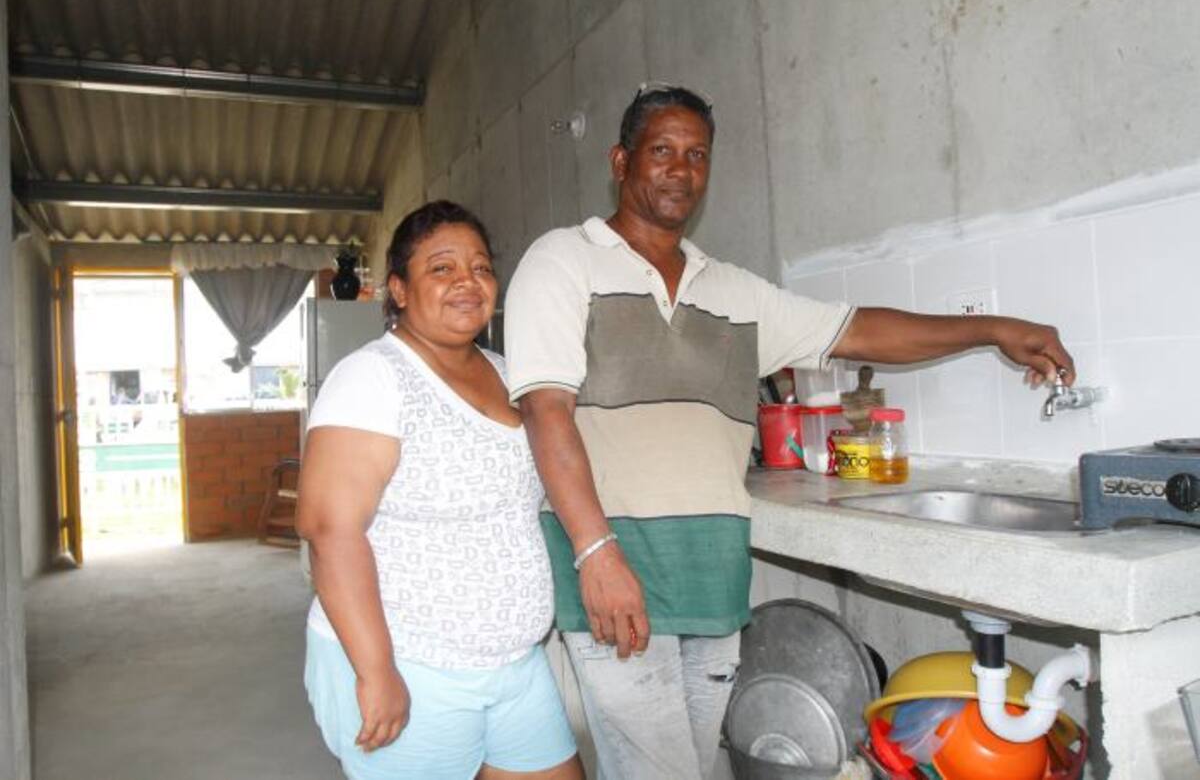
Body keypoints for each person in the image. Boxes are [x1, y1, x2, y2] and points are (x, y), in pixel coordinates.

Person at [503, 84, 1076, 779]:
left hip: (710, 580)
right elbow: (546, 412)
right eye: (662, 151)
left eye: (697, 155)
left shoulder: (736, 293)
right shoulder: (563, 261)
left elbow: (859, 329)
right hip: (617, 571)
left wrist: (993, 329)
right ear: (621, 162)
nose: (680, 170)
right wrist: (596, 555)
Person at [296, 200, 583, 780]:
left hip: (514, 667)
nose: (467, 282)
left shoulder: (509, 374)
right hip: (409, 664)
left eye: (480, 268)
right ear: (398, 289)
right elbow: (329, 530)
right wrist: (376, 672)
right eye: (442, 268)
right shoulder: (373, 376)